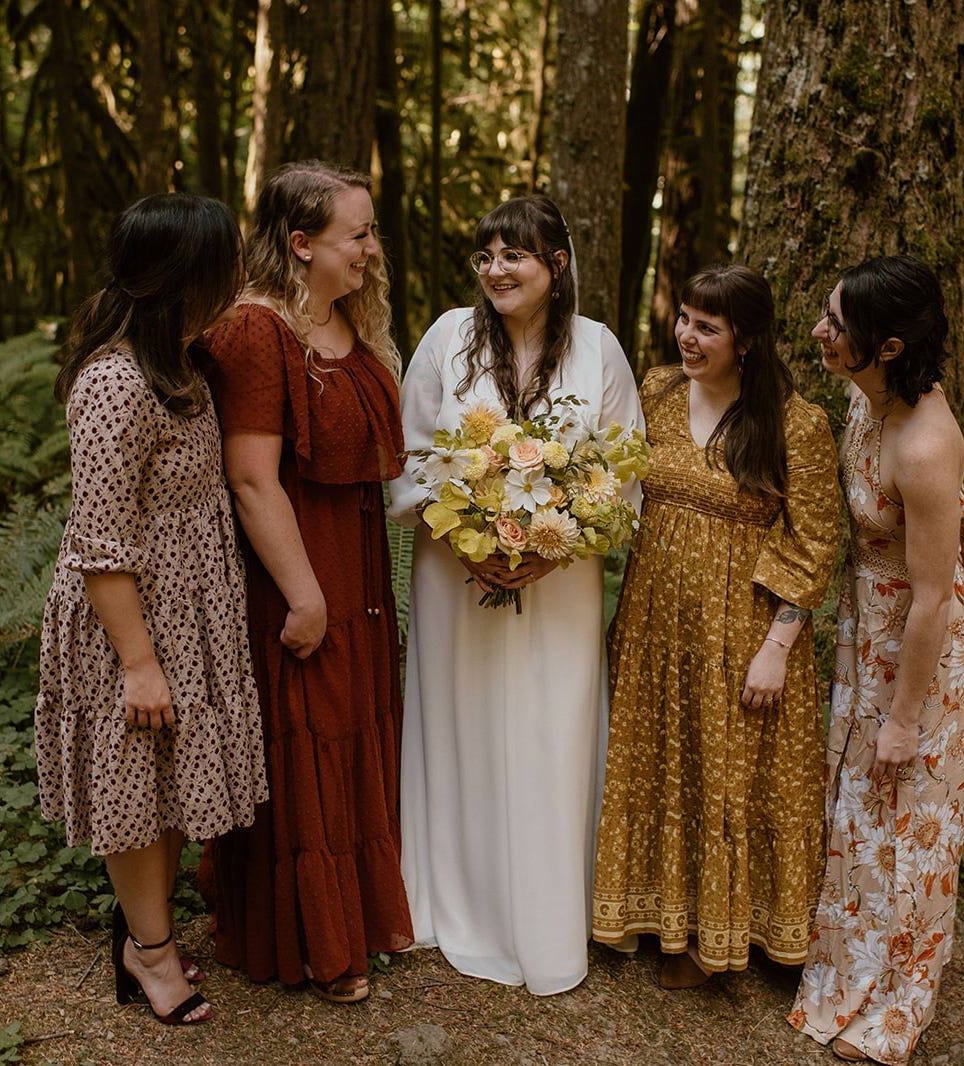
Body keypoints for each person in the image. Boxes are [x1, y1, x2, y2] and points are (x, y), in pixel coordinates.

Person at [389, 195, 644, 995]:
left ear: (556, 265)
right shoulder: (446, 338)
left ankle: (545, 912)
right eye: (486, 255)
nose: (496, 270)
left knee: (548, 726)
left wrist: (551, 547)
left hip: (560, 579)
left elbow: (622, 474)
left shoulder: (599, 348)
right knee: (461, 717)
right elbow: (412, 458)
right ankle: (455, 898)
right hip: (453, 576)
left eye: (515, 256)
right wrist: (469, 540)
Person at [33, 194, 267, 1026]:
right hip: (129, 620)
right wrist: (139, 663)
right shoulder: (114, 384)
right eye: (226, 266)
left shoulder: (182, 361)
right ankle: (151, 955)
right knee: (136, 784)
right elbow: (99, 545)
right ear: (183, 279)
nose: (240, 278)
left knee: (168, 782)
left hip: (187, 611)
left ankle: (146, 932)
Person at [591, 264, 840, 988]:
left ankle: (720, 937)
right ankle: (656, 913)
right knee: (662, 763)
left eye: (708, 326)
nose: (687, 336)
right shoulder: (658, 391)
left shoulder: (798, 424)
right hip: (653, 620)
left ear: (748, 340)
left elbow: (814, 541)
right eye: (685, 320)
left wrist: (776, 649)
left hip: (743, 629)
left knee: (728, 776)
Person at [202, 161, 413, 1004]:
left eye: (369, 231)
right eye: (356, 233)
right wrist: (304, 594)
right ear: (300, 244)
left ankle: (352, 917)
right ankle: (315, 944)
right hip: (295, 567)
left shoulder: (343, 322)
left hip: (352, 560)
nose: (370, 248)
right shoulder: (258, 332)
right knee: (309, 733)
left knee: (349, 726)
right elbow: (251, 478)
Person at [788, 255, 964, 1065]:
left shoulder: (928, 445)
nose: (820, 332)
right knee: (861, 810)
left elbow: (936, 598)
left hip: (925, 644)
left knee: (909, 816)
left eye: (838, 326)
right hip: (868, 622)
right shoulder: (863, 395)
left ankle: (895, 1001)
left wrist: (906, 716)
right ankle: (845, 966)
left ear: (891, 346)